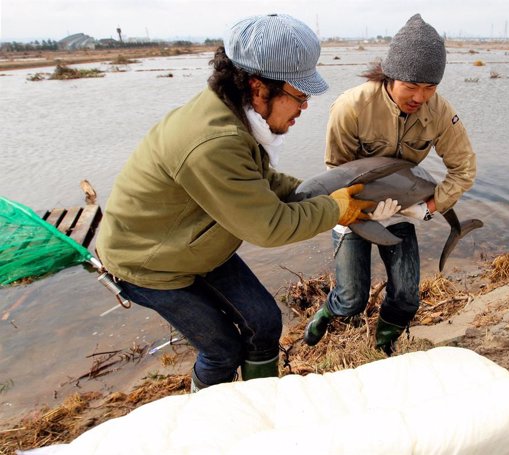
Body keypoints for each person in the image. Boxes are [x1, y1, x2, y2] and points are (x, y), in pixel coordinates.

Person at [96, 13, 374, 391]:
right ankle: (211, 426)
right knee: (222, 351)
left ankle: (261, 403)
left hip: (197, 244)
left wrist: (317, 191)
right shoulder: (214, 141)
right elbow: (269, 226)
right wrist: (336, 208)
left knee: (264, 323)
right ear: (259, 87)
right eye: (299, 96)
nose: (304, 108)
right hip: (148, 264)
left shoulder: (233, 114)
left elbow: (260, 182)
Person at [304, 14, 477, 355]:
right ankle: (329, 312)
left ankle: (384, 344)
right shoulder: (351, 107)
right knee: (352, 298)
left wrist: (427, 208)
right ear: (389, 74)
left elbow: (464, 169)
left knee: (407, 295)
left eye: (430, 87)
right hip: (352, 206)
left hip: (402, 207)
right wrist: (354, 212)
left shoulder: (440, 112)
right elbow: (336, 174)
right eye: (411, 86)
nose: (420, 97)